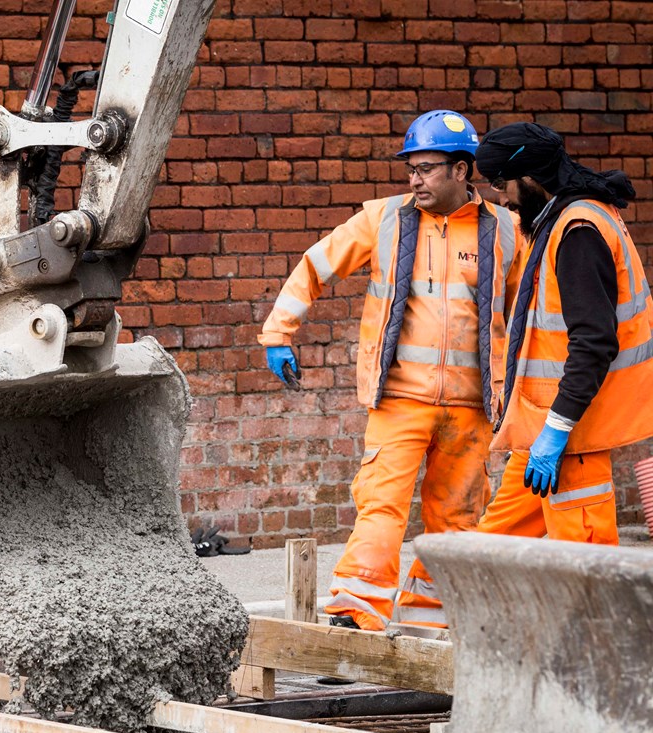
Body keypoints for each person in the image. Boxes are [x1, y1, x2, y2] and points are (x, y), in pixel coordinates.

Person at [258, 111, 523, 631]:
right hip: (400, 400)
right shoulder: (382, 219)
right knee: (381, 507)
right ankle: (357, 614)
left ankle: (435, 621)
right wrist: (278, 332)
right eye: (411, 169)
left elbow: (529, 313)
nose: (414, 179)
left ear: (462, 170)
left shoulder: (508, 231)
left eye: (426, 169)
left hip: (473, 408)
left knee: (459, 520)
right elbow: (315, 266)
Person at [473, 123, 653, 543]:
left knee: (583, 568)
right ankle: (425, 608)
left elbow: (594, 342)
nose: (501, 197)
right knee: (487, 547)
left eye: (502, 183)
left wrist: (557, 429)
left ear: (532, 178)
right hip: (546, 433)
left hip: (571, 437)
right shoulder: (571, 218)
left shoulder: (579, 231)